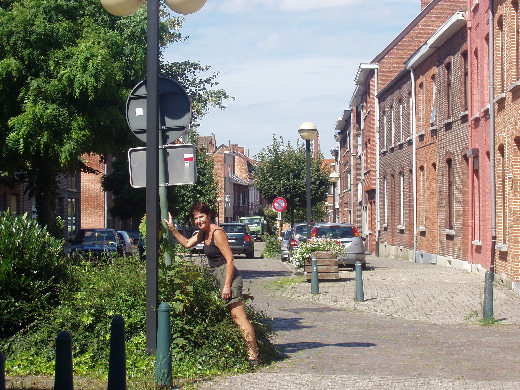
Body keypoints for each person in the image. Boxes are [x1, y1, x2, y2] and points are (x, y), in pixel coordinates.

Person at [164, 202, 260, 366]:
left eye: (201, 217)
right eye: (196, 218)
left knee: (239, 318)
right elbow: (187, 243)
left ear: (208, 216)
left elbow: (230, 259)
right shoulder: (203, 233)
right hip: (217, 275)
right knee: (231, 317)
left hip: (228, 276)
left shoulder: (217, 233)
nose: (199, 220)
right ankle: (238, 350)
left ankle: (254, 356)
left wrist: (227, 285)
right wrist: (173, 229)